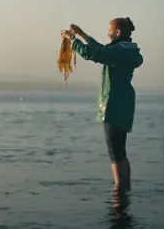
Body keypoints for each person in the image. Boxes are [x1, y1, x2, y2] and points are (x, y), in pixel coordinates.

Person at [61, 17, 143, 194]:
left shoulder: (118, 51)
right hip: (125, 104)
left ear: (117, 32)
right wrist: (82, 34)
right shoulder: (126, 49)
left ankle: (119, 191)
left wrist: (72, 40)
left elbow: (95, 54)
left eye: (109, 31)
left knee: (114, 152)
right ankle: (125, 188)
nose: (108, 34)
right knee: (121, 151)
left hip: (113, 105)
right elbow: (101, 49)